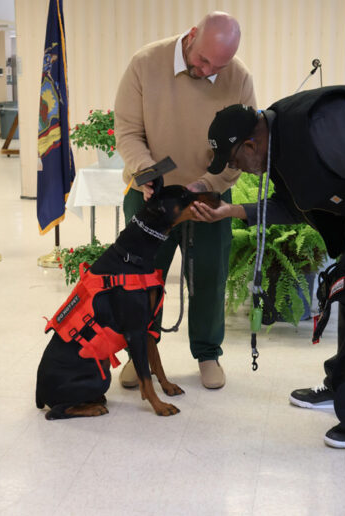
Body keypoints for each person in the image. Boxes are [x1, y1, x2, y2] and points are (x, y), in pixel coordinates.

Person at [191, 87, 345, 448]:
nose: (236, 169)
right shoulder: (277, 147)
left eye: (234, 161)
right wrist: (232, 211)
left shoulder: (321, 124)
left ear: (250, 145)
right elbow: (293, 205)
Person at [114, 12, 256, 389]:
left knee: (210, 275)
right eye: (203, 60)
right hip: (150, 195)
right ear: (192, 36)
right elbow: (127, 131)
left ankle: (208, 354)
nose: (208, 70)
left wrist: (209, 183)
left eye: (218, 66)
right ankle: (140, 353)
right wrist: (147, 172)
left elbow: (243, 147)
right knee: (142, 280)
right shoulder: (146, 63)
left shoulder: (238, 77)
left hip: (207, 195)